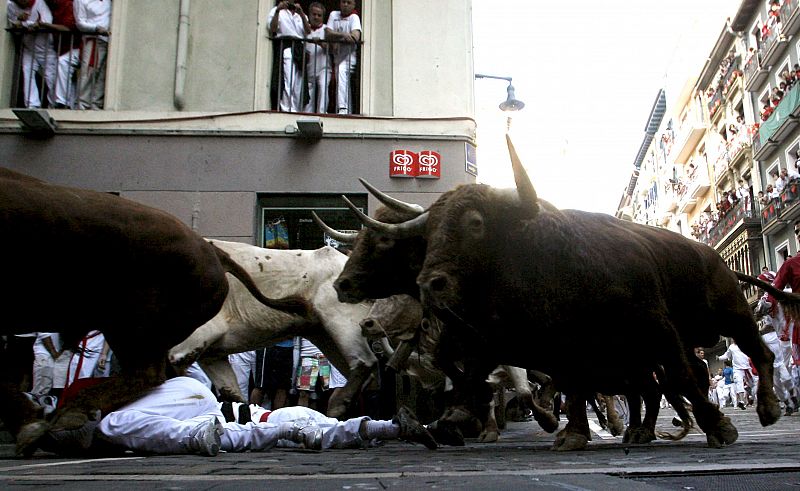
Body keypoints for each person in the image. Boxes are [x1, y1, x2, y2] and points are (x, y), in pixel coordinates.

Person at [40, 376, 437, 456]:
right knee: (303, 422)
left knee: (287, 424)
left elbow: (160, 429)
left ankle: (391, 427)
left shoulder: (114, 418)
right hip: (220, 409)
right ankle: (391, 428)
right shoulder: (163, 385)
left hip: (214, 414)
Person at [7, 0, 58, 108]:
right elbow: (14, 26)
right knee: (27, 71)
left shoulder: (39, 3)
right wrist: (19, 21)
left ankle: (54, 105)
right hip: (28, 47)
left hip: (46, 49)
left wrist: (24, 24)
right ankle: (32, 104)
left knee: (51, 77)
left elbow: (46, 22)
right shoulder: (10, 5)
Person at [268, 0, 310, 112]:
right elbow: (272, 29)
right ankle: (286, 108)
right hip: (286, 45)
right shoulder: (277, 11)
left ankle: (295, 108)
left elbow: (308, 31)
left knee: (298, 82)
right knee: (287, 79)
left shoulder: (301, 15)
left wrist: (301, 14)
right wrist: (278, 10)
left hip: (299, 47)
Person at [73, 0, 111, 110]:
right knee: (89, 72)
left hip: (109, 41)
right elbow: (80, 23)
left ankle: (96, 104)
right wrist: (96, 28)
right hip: (94, 39)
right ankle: (83, 105)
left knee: (103, 75)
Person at [325, 0, 361, 114]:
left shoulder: (354, 17)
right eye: (343, 2)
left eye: (348, 2)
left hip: (350, 56)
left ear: (353, 5)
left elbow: (356, 36)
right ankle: (347, 109)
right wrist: (344, 35)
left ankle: (342, 108)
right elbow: (327, 33)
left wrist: (336, 38)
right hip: (336, 57)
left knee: (341, 71)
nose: (345, 5)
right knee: (342, 83)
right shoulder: (333, 15)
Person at [45, 0, 80, 108]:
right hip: (61, 48)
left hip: (78, 47)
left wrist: (46, 25)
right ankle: (67, 104)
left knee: (64, 63)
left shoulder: (67, 4)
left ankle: (62, 102)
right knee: (60, 75)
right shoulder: (52, 6)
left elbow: (68, 28)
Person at [303, 2, 331, 113]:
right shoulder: (305, 29)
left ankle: (322, 114)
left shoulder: (326, 29)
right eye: (314, 14)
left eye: (319, 15)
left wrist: (320, 43)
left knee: (323, 89)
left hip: (324, 67)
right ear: (309, 15)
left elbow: (332, 48)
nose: (316, 17)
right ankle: (306, 116)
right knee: (308, 97)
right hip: (309, 68)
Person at [293, 337, 330, 410]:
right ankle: (301, 417)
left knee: (328, 391)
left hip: (325, 357)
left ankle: (327, 418)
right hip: (306, 356)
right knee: (304, 392)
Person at [718, 340, 751, 410]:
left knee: (753, 384)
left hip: (748, 367)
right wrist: (719, 358)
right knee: (739, 383)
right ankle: (742, 401)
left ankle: (752, 398)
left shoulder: (746, 343)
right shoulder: (731, 347)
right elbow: (726, 355)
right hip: (737, 369)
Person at [31, 333, 61, 397]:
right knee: (40, 390)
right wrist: (54, 352)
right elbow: (44, 334)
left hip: (53, 355)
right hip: (45, 355)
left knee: (46, 389)